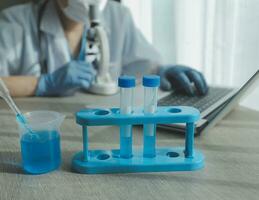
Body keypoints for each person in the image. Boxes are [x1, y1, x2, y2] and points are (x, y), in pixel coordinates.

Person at [0, 0, 208, 97]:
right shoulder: (14, 22)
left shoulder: (118, 16)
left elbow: (145, 66)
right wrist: (43, 83)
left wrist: (162, 71)